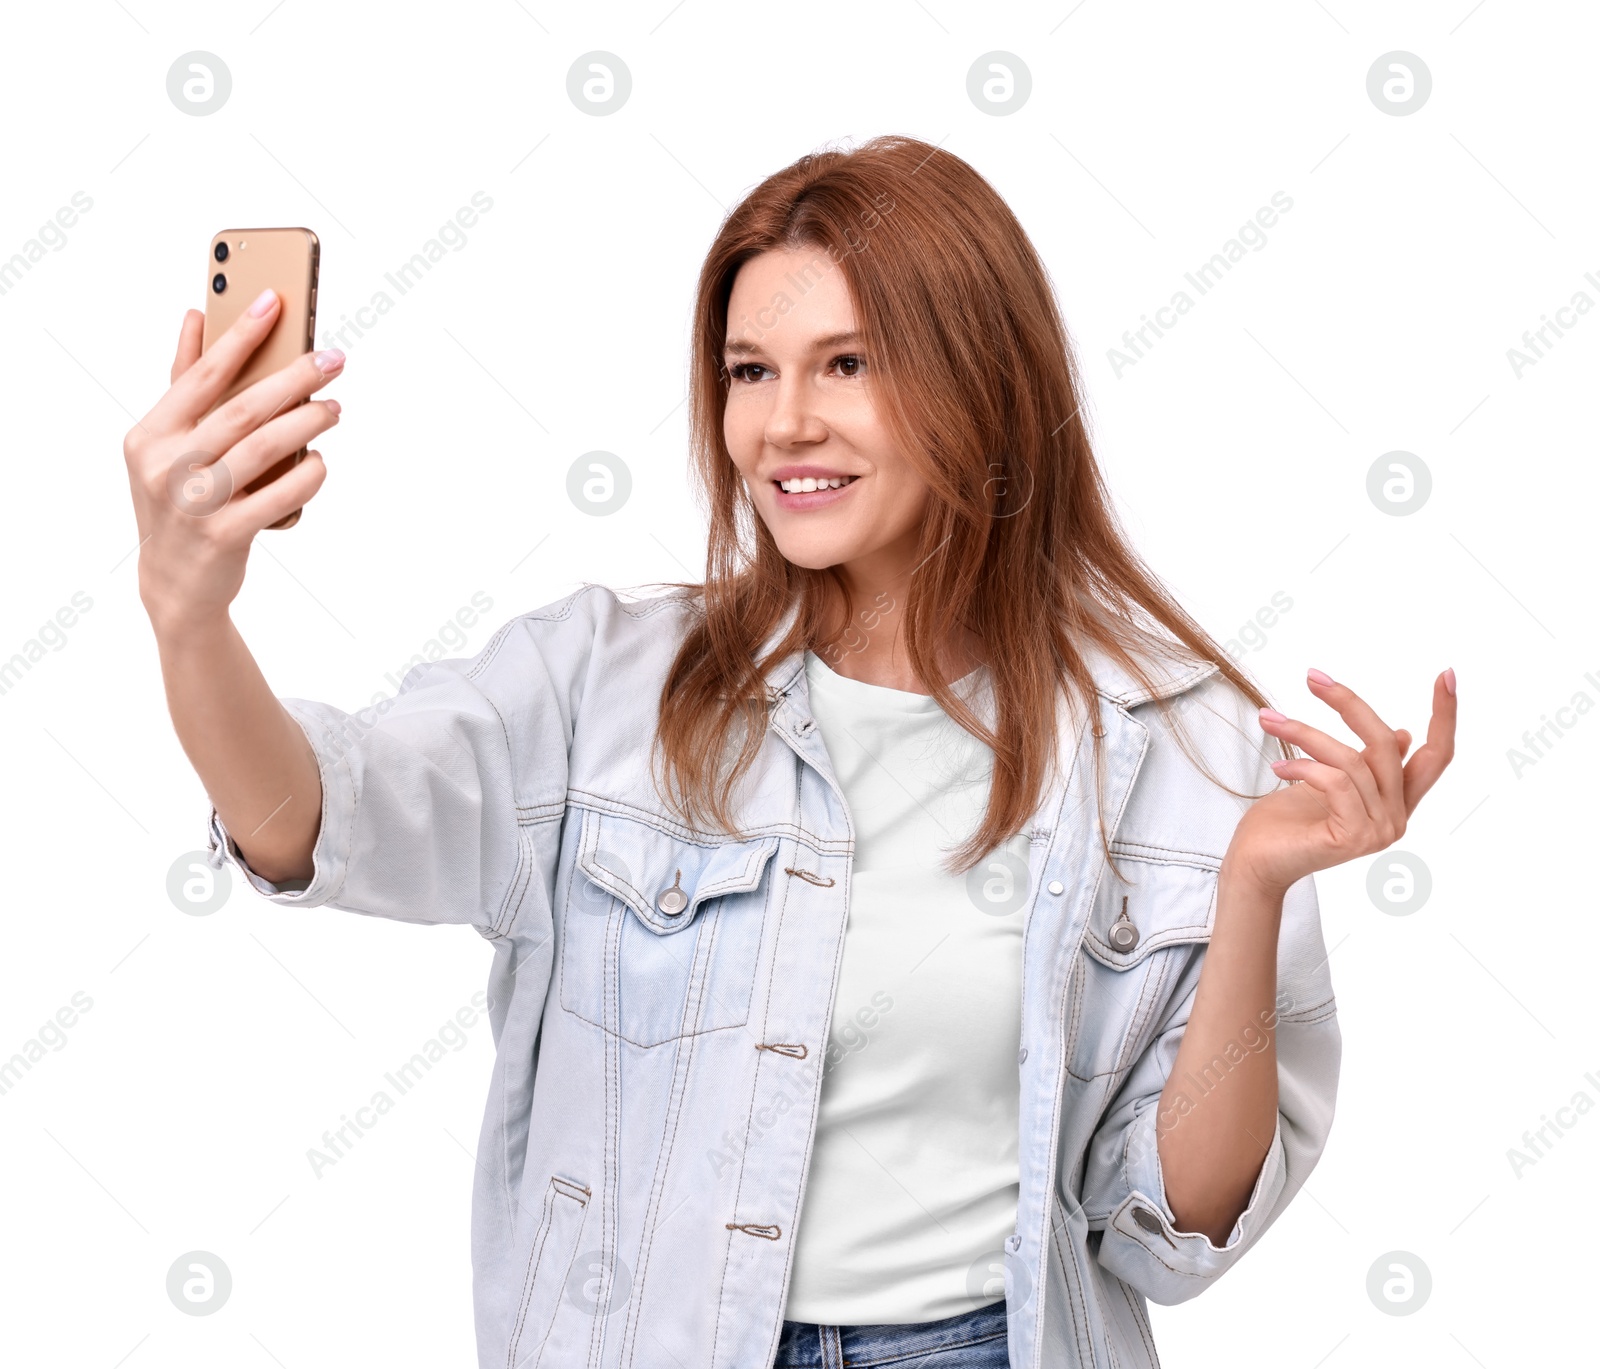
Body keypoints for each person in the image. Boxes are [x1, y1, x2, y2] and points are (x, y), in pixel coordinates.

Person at [124, 135, 1456, 1368]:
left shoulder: (1172, 737)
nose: (783, 424)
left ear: (983, 382)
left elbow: (1178, 1227)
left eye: (850, 363)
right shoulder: (603, 685)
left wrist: (1254, 889)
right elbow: (317, 815)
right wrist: (191, 618)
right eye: (752, 370)